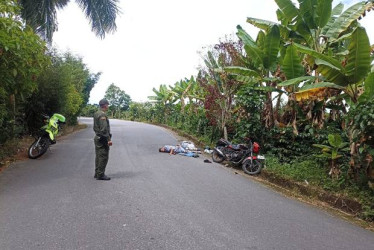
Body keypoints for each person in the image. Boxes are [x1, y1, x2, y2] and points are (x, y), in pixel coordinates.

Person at [93, 99, 112, 180]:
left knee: (98, 156)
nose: (108, 106)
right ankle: (100, 174)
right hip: (102, 138)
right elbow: (104, 129)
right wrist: (108, 139)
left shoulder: (96, 113)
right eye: (107, 105)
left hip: (97, 137)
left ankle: (97, 173)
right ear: (104, 105)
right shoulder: (102, 115)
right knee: (103, 156)